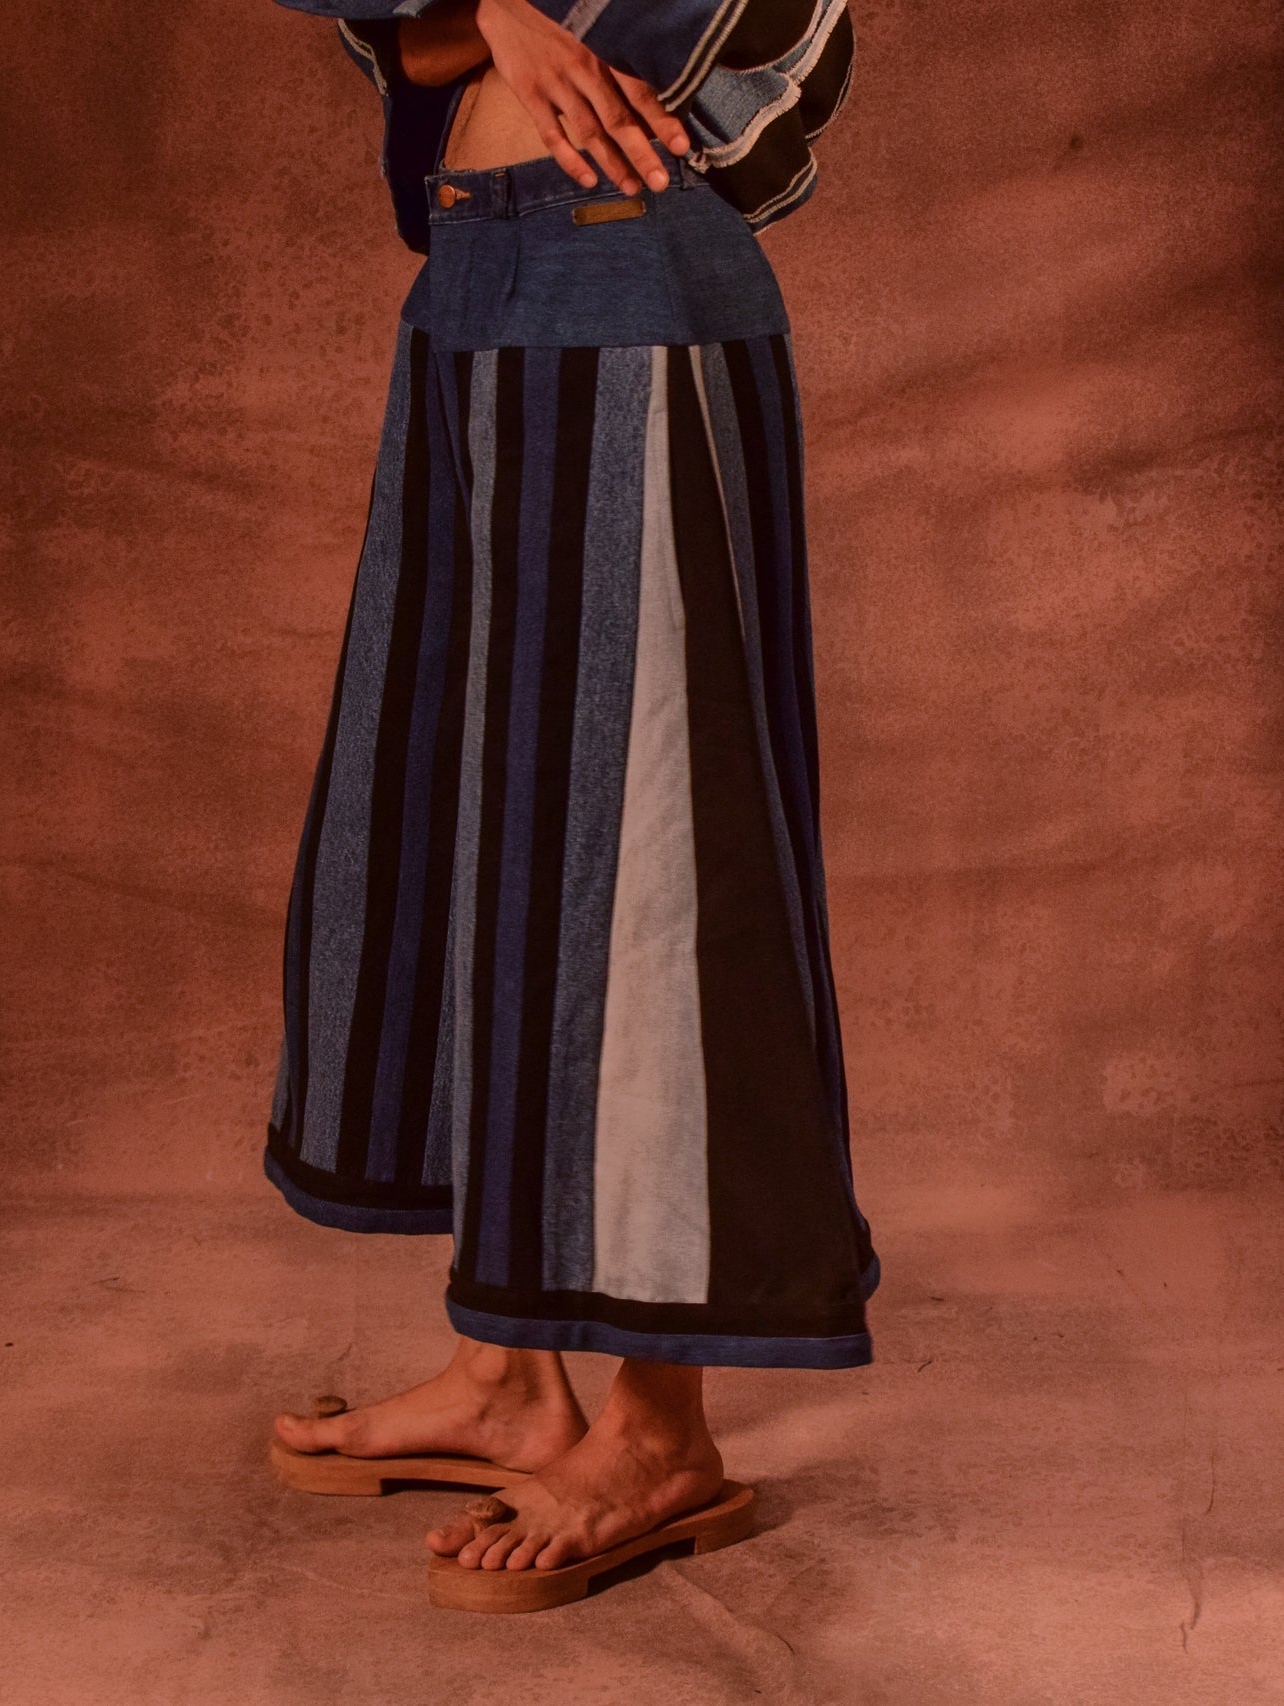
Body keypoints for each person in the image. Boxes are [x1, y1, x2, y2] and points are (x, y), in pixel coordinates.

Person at [262, 0, 879, 1609]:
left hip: (631, 274)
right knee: (475, 824)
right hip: (476, 266)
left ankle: (659, 1428)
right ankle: (507, 1374)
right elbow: (404, 39)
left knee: (650, 847)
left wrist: (489, 24)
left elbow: (680, 46)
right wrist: (496, 16)